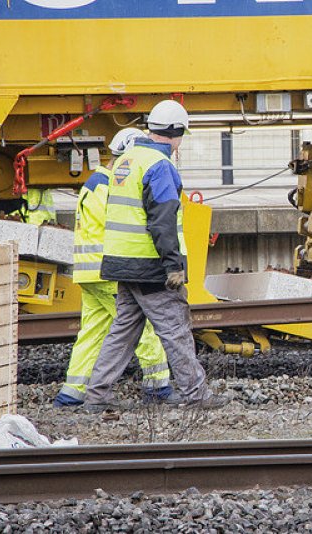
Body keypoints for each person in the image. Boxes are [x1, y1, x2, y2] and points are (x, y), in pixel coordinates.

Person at [84, 100, 224, 411]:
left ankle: (96, 396)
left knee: (122, 333)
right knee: (175, 331)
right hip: (150, 266)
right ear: (175, 134)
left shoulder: (127, 160)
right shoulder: (159, 166)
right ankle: (197, 395)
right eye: (181, 136)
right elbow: (162, 219)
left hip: (121, 264)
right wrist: (173, 266)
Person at [54, 128, 173, 407]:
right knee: (141, 325)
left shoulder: (94, 182)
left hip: (87, 271)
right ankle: (158, 388)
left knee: (93, 332)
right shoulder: (110, 185)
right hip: (107, 270)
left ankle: (73, 392)